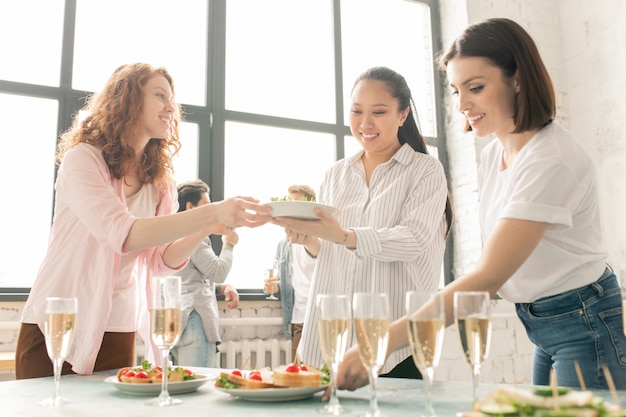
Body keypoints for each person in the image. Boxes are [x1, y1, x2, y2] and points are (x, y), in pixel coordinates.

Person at [336, 18, 626, 392]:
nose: (462, 105)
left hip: (584, 322)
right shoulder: (494, 154)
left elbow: (489, 275)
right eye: (456, 90)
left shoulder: (550, 158)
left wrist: (385, 340)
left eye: (475, 87)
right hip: (544, 323)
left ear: (517, 79)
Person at [15, 63, 271, 379]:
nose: (170, 107)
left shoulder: (159, 184)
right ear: (128, 99)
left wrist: (205, 227)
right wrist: (211, 212)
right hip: (58, 317)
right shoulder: (82, 159)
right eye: (160, 95)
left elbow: (161, 261)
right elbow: (121, 233)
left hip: (115, 322)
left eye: (171, 99)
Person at [272, 66, 453, 378]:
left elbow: (414, 239)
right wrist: (311, 241)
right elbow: (332, 252)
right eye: (356, 111)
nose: (365, 124)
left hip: (398, 347)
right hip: (331, 341)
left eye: (378, 112)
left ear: (402, 114)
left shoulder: (425, 170)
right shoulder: (335, 174)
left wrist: (344, 235)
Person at [170, 180, 241, 368]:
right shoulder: (194, 236)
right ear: (190, 207)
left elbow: (188, 278)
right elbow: (218, 272)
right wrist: (229, 244)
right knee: (201, 389)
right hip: (195, 322)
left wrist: (221, 288)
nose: (210, 211)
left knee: (190, 386)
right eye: (206, 206)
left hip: (178, 322)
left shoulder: (173, 235)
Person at [264, 184, 317, 360]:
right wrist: (273, 287)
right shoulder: (284, 245)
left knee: (329, 374)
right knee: (299, 373)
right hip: (299, 318)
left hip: (322, 316)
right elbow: (285, 280)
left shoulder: (322, 239)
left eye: (298, 204)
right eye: (289, 204)